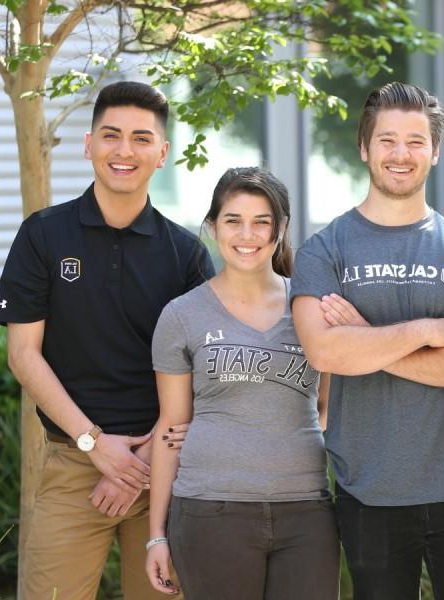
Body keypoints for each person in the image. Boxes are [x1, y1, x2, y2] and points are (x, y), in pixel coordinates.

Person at [289, 81, 444, 600]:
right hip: (371, 492)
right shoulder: (325, 250)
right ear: (364, 149)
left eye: (415, 140)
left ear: (434, 151)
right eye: (387, 140)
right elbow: (324, 351)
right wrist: (424, 333)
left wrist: (365, 341)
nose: (400, 154)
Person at [0, 81, 213, 599]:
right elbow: (23, 355)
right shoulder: (43, 236)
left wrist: (138, 460)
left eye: (141, 138)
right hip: (75, 466)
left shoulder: (185, 255)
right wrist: (98, 448)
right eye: (112, 135)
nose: (125, 150)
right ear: (89, 144)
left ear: (161, 154)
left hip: (165, 469)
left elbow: (203, 370)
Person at [143, 167, 338, 598]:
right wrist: (157, 534)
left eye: (261, 222)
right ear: (213, 227)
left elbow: (327, 411)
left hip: (306, 511)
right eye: (233, 220)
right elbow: (170, 431)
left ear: (281, 228)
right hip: (211, 511)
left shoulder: (314, 309)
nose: (246, 234)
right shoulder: (181, 315)